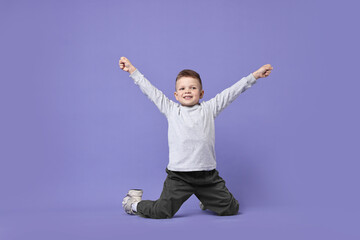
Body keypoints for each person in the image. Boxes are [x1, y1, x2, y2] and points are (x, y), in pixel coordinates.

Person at [119, 56, 273, 219]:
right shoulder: (171, 110)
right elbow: (150, 90)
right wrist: (132, 70)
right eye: (183, 88)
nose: (187, 91)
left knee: (231, 208)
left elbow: (232, 92)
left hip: (207, 177)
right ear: (176, 95)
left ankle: (208, 199)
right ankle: (134, 204)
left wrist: (254, 75)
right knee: (161, 211)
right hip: (179, 177)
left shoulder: (209, 108)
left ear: (201, 93)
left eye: (192, 88)